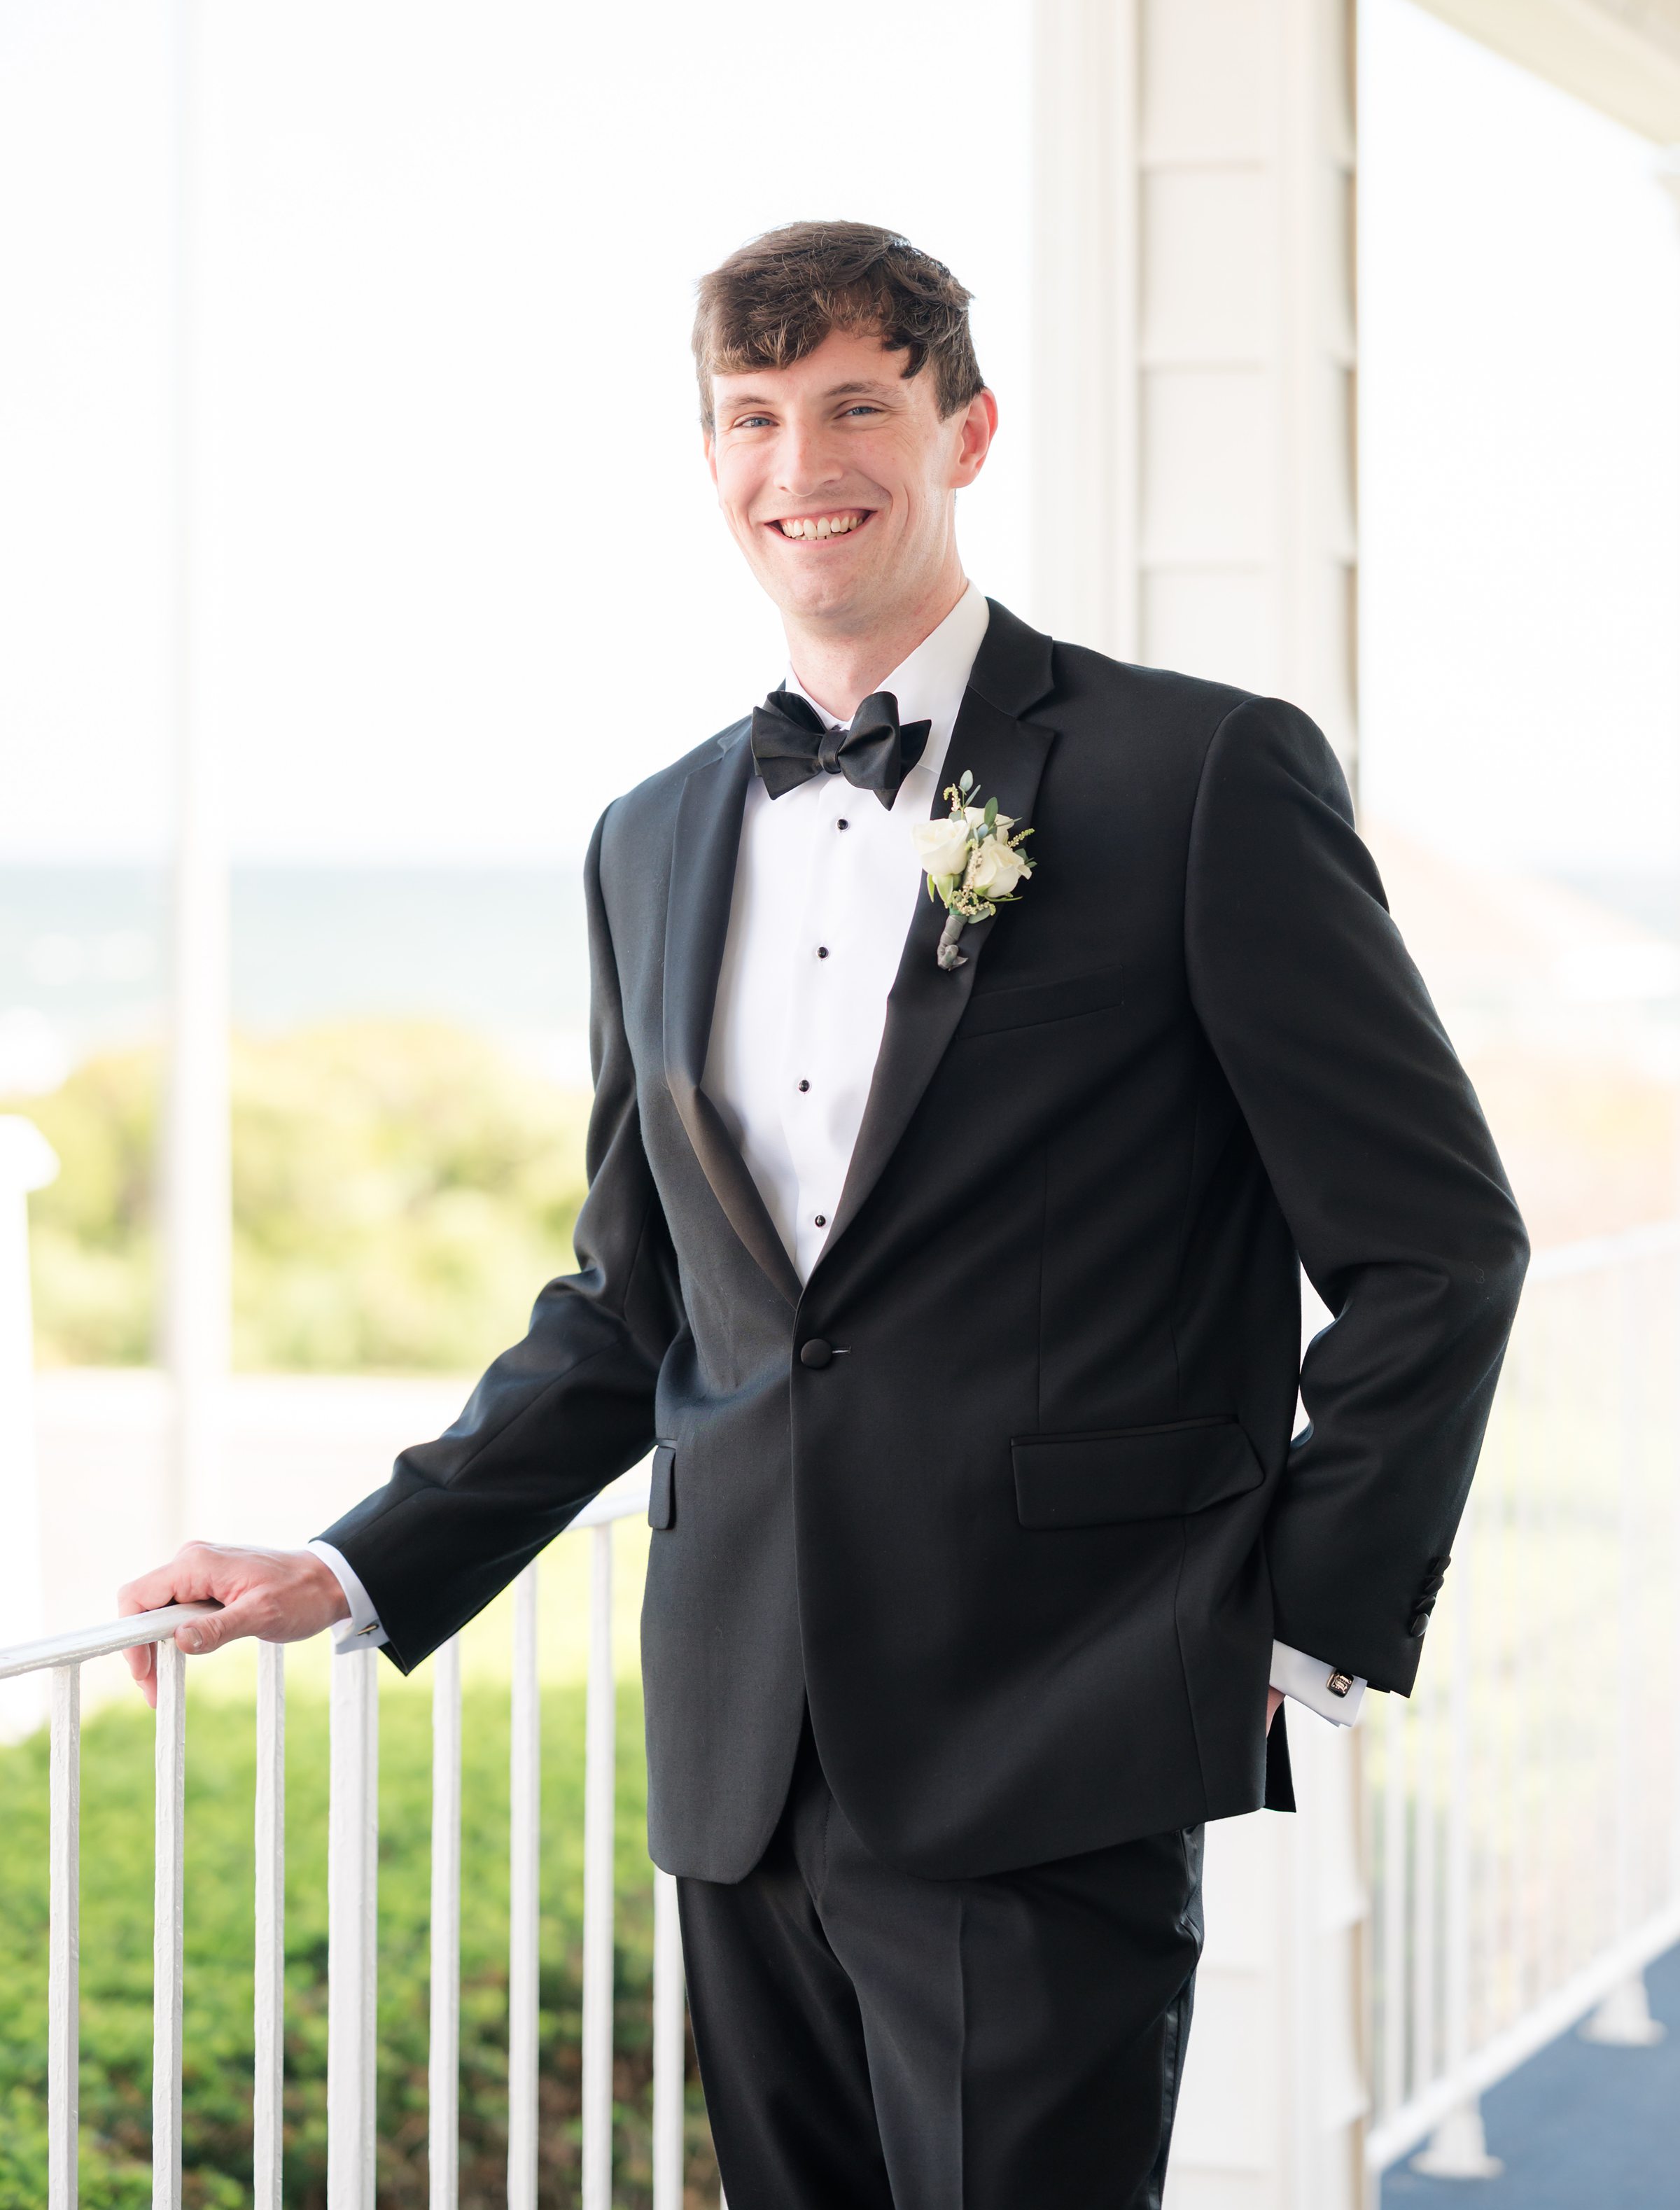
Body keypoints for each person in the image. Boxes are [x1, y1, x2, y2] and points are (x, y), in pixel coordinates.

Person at [121, 221, 1527, 2207]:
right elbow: (638, 1305)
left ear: (966, 432)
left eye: (860, 404)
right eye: (755, 417)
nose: (806, 462)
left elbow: (1437, 1245)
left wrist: (1285, 1625)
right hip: (739, 1745)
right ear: (713, 462)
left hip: (1059, 1716)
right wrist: (360, 1569)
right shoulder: (652, 835)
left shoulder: (1194, 774)